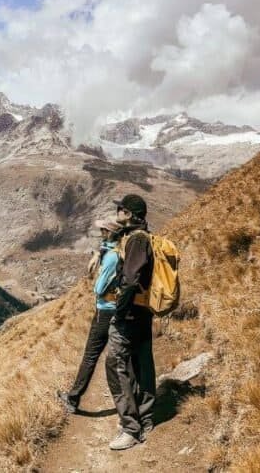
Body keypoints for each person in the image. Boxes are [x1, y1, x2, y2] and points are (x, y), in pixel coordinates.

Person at [105, 193, 157, 451]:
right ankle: (145, 419)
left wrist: (119, 311)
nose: (118, 213)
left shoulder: (136, 240)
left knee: (116, 365)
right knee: (141, 363)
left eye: (121, 209)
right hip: (143, 311)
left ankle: (130, 428)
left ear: (130, 214)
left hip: (130, 314)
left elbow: (130, 280)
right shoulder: (144, 237)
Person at [57, 219, 123, 414]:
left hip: (105, 310)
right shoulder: (117, 251)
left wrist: (97, 272)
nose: (101, 232)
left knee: (90, 356)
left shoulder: (111, 257)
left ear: (110, 233)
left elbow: (99, 288)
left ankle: (73, 398)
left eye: (103, 230)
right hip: (115, 309)